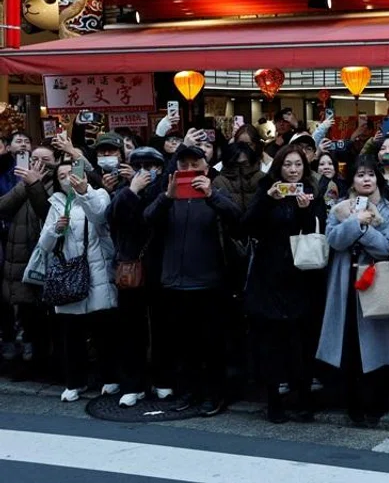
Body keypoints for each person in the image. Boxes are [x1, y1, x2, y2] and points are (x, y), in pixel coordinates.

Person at [144, 144, 243, 416]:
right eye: (183, 165)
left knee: (211, 345)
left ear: (206, 168)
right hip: (173, 283)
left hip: (210, 282)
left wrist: (211, 195)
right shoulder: (167, 194)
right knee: (183, 345)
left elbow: (237, 218)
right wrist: (167, 196)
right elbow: (147, 219)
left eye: (194, 165)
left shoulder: (217, 193)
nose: (189, 171)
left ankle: (215, 395)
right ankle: (189, 392)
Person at [317, 155, 389, 426]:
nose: (366, 179)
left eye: (371, 175)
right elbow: (333, 240)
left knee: (376, 346)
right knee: (348, 345)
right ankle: (353, 403)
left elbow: (387, 247)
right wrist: (355, 221)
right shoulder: (338, 207)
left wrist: (364, 228)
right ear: (352, 180)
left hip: (376, 281)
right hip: (345, 282)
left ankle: (376, 402)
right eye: (360, 175)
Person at [244, 145, 326, 424]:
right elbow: (248, 226)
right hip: (269, 276)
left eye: (298, 165)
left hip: (301, 275)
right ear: (278, 167)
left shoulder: (311, 191)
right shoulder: (266, 189)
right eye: (288, 165)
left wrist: (304, 211)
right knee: (271, 343)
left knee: (300, 341)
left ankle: (303, 399)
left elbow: (317, 229)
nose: (293, 170)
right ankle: (273, 402)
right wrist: (268, 199)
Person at [36, 162, 119, 402]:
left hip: (98, 273)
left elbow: (100, 217)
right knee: (71, 335)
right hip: (68, 275)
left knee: (103, 331)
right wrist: (54, 230)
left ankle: (110, 378)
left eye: (69, 173)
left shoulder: (99, 194)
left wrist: (84, 192)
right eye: (60, 176)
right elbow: (44, 246)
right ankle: (75, 382)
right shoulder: (56, 204)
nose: (65, 178)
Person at [107, 146, 166, 407]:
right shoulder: (122, 193)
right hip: (130, 271)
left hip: (160, 270)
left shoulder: (165, 193)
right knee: (130, 329)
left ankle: (163, 379)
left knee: (162, 327)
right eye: (140, 166)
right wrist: (132, 189)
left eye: (151, 167)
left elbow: (155, 218)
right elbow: (112, 217)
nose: (145, 172)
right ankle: (133, 383)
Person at [0, 145, 56, 380]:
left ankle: (49, 364)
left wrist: (35, 185)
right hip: (20, 259)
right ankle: (32, 362)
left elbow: (46, 211)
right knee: (27, 316)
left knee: (47, 318)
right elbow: (3, 206)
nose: (39, 163)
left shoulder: (58, 182)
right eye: (34, 159)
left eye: (45, 159)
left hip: (45, 257)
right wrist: (26, 184)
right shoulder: (20, 182)